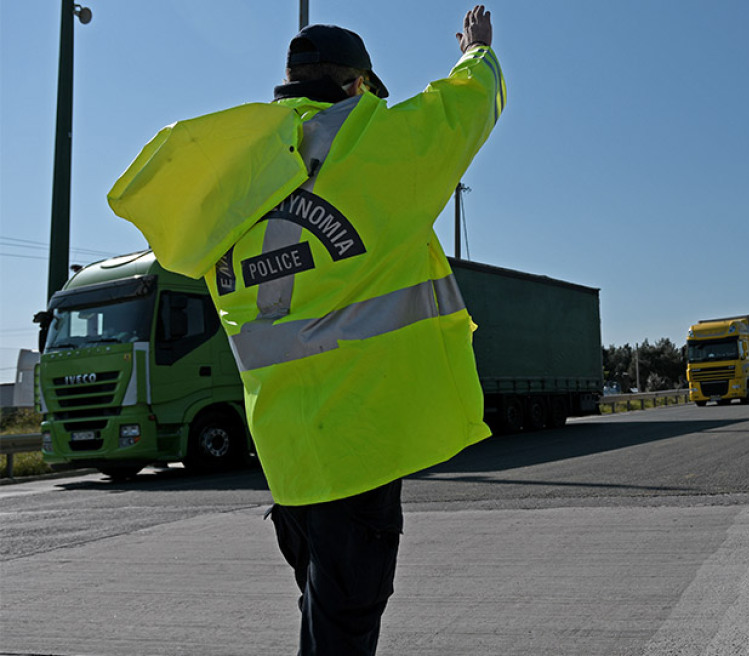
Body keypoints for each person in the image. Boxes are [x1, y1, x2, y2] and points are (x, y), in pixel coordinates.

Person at [107, 6, 504, 654]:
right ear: (356, 88)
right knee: (344, 631)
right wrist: (477, 53)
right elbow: (465, 107)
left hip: (289, 464)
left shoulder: (233, 184)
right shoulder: (380, 153)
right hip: (361, 451)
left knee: (323, 619)